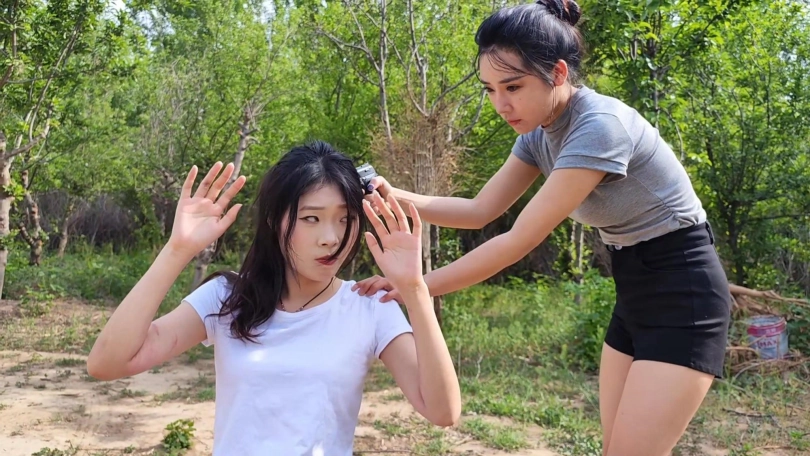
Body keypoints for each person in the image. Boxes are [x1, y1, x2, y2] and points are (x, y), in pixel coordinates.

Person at [352, 1, 731, 455]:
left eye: (513, 86)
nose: (501, 104)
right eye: (490, 90)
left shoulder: (599, 127)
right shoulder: (538, 131)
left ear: (558, 73)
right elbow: (479, 210)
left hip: (683, 288)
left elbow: (518, 240)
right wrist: (390, 193)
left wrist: (416, 287)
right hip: (634, 287)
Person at [86, 141, 461, 455]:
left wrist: (415, 290)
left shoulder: (368, 306)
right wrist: (176, 250)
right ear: (273, 221)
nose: (331, 238)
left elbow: (443, 411)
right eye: (311, 219)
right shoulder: (229, 298)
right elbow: (108, 363)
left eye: (345, 219)